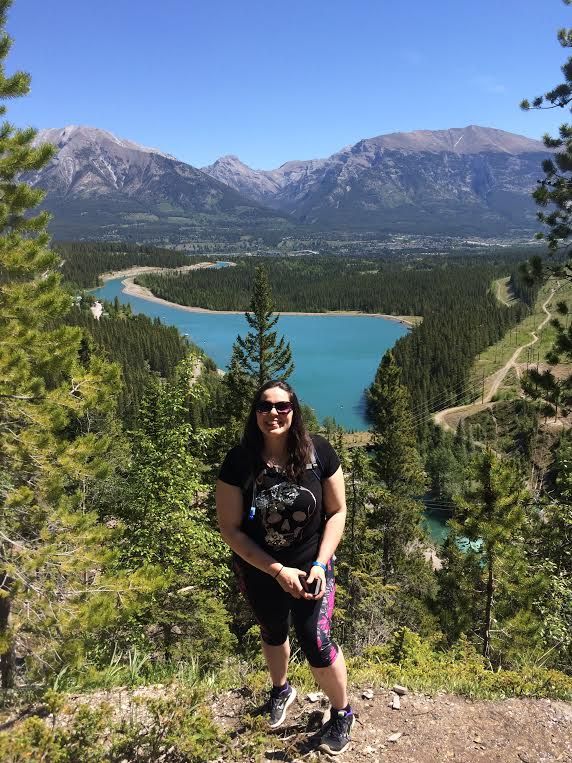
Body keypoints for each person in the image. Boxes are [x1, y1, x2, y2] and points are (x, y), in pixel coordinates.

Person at [216, 380, 353, 756]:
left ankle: (342, 713)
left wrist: (321, 564)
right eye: (264, 406)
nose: (273, 413)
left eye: (282, 406)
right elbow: (230, 528)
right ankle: (282, 689)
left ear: (294, 409)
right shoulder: (239, 461)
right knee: (273, 631)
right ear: (255, 412)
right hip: (261, 568)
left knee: (316, 639)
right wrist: (276, 570)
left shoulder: (318, 452)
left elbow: (337, 511)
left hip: (313, 566)